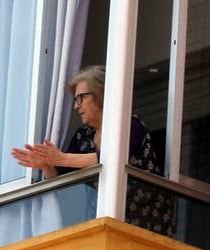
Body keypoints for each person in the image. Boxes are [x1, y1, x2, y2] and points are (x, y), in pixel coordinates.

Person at [11, 65, 171, 235]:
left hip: (147, 228)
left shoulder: (130, 125)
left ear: (101, 93)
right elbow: (62, 178)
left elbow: (112, 158)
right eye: (75, 100)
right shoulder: (83, 135)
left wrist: (61, 158)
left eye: (81, 98)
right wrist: (46, 165)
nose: (76, 106)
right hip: (102, 226)